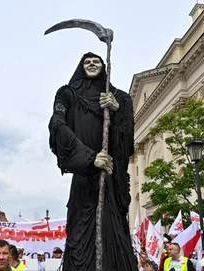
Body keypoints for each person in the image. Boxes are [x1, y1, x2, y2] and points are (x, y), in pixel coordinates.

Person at [48, 52, 136, 271]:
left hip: (110, 179)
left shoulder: (119, 97)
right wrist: (88, 157)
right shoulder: (67, 94)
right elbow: (57, 123)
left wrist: (117, 111)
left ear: (104, 67)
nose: (92, 64)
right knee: (80, 239)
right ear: (80, 66)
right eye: (87, 62)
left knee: (112, 235)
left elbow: (128, 142)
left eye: (96, 61)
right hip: (84, 179)